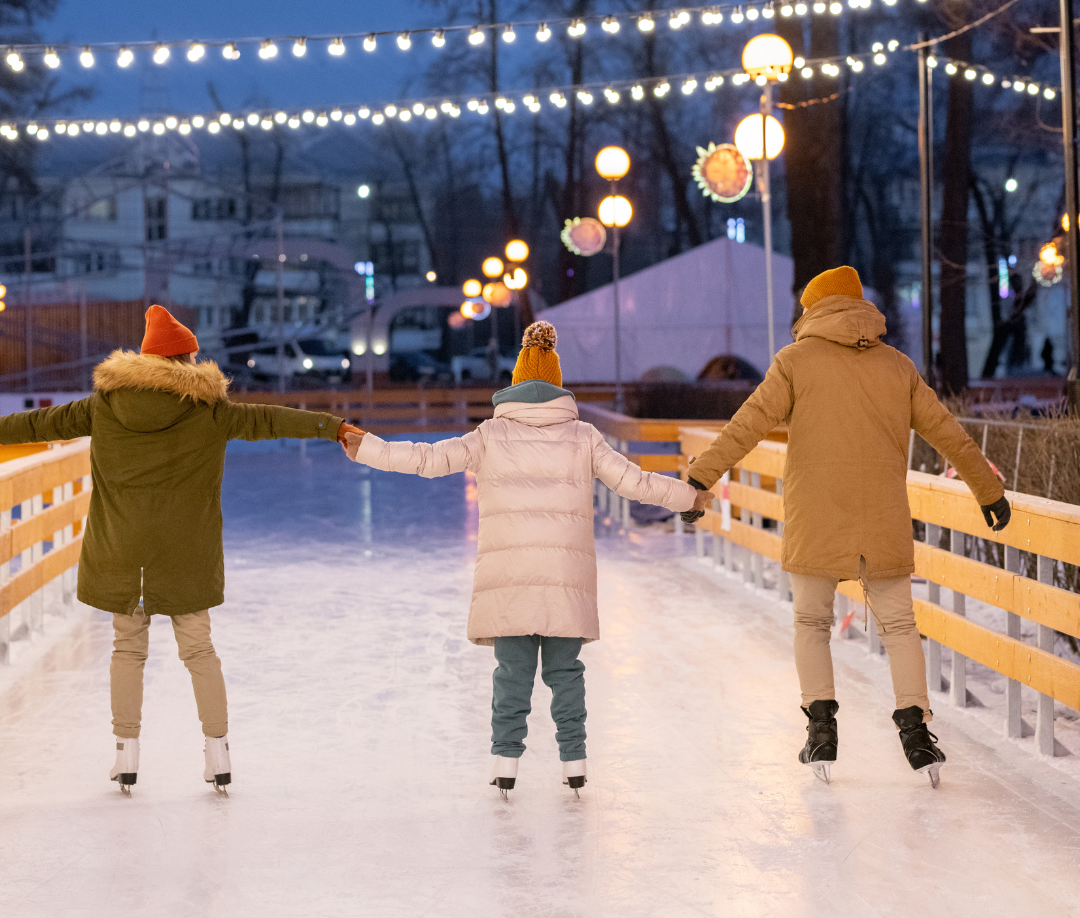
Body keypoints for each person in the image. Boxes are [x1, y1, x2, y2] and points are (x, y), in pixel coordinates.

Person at [0, 306, 360, 794]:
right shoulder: (210, 411)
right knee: (199, 650)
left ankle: (126, 756)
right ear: (188, 360)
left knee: (127, 649)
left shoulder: (102, 406)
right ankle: (218, 753)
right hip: (187, 552)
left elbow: (36, 425)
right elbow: (272, 420)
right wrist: (332, 427)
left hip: (122, 551)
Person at [344, 321, 711, 799]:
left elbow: (427, 458)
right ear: (558, 387)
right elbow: (637, 483)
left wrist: (368, 446)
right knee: (565, 673)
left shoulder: (490, 435)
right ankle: (574, 760)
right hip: (564, 579)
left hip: (510, 577)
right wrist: (690, 498)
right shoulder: (583, 437)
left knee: (512, 673)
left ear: (515, 386)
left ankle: (505, 762)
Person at [682, 267, 1010, 787]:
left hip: (817, 516)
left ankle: (821, 729)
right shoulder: (897, 367)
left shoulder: (795, 362)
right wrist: (988, 491)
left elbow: (747, 425)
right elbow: (948, 432)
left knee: (812, 623)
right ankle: (916, 729)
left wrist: (700, 477)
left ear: (813, 310)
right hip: (882, 516)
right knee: (899, 625)